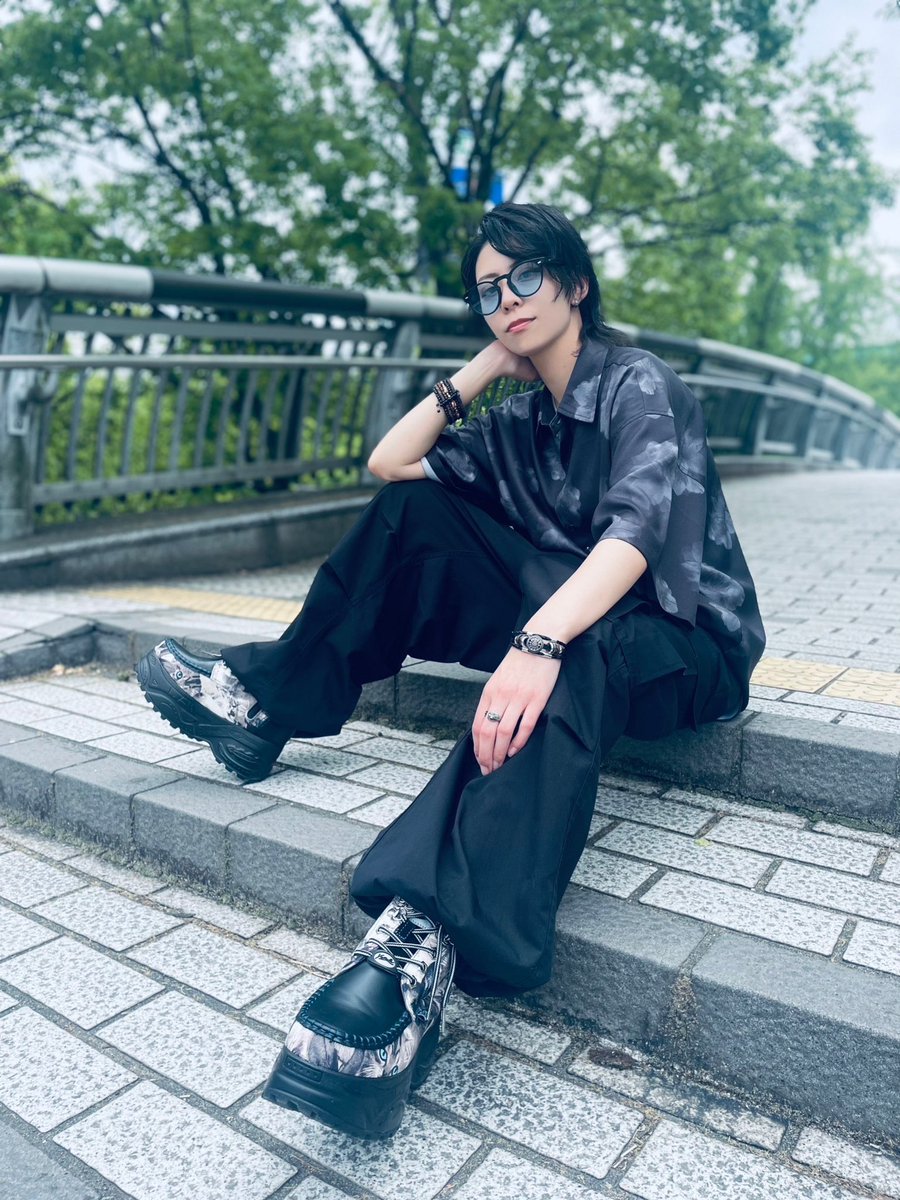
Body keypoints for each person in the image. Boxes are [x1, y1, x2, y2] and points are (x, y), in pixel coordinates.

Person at [136, 202, 766, 1140]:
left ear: (575, 283)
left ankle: (422, 942)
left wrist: (537, 645)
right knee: (416, 516)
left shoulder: (639, 384)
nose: (507, 300)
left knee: (580, 643)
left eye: (526, 278)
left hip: (683, 642)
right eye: (488, 291)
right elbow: (390, 463)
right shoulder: (523, 421)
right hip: (572, 611)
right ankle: (264, 704)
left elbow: (635, 537)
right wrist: (481, 371)